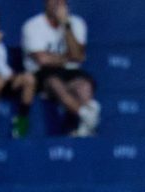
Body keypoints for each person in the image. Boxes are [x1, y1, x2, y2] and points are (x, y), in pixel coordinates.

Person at [21, 0, 100, 136]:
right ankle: (87, 116)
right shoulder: (32, 26)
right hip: (41, 73)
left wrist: (66, 26)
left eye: (61, 2)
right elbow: (42, 60)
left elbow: (78, 56)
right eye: (54, 2)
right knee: (55, 83)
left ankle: (85, 126)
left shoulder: (76, 23)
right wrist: (68, 57)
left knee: (84, 86)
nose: (57, 5)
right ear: (46, 3)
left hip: (70, 71)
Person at [0, 7, 35, 138]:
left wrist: (14, 77)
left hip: (0, 82)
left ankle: (21, 121)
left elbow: (1, 67)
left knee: (29, 79)